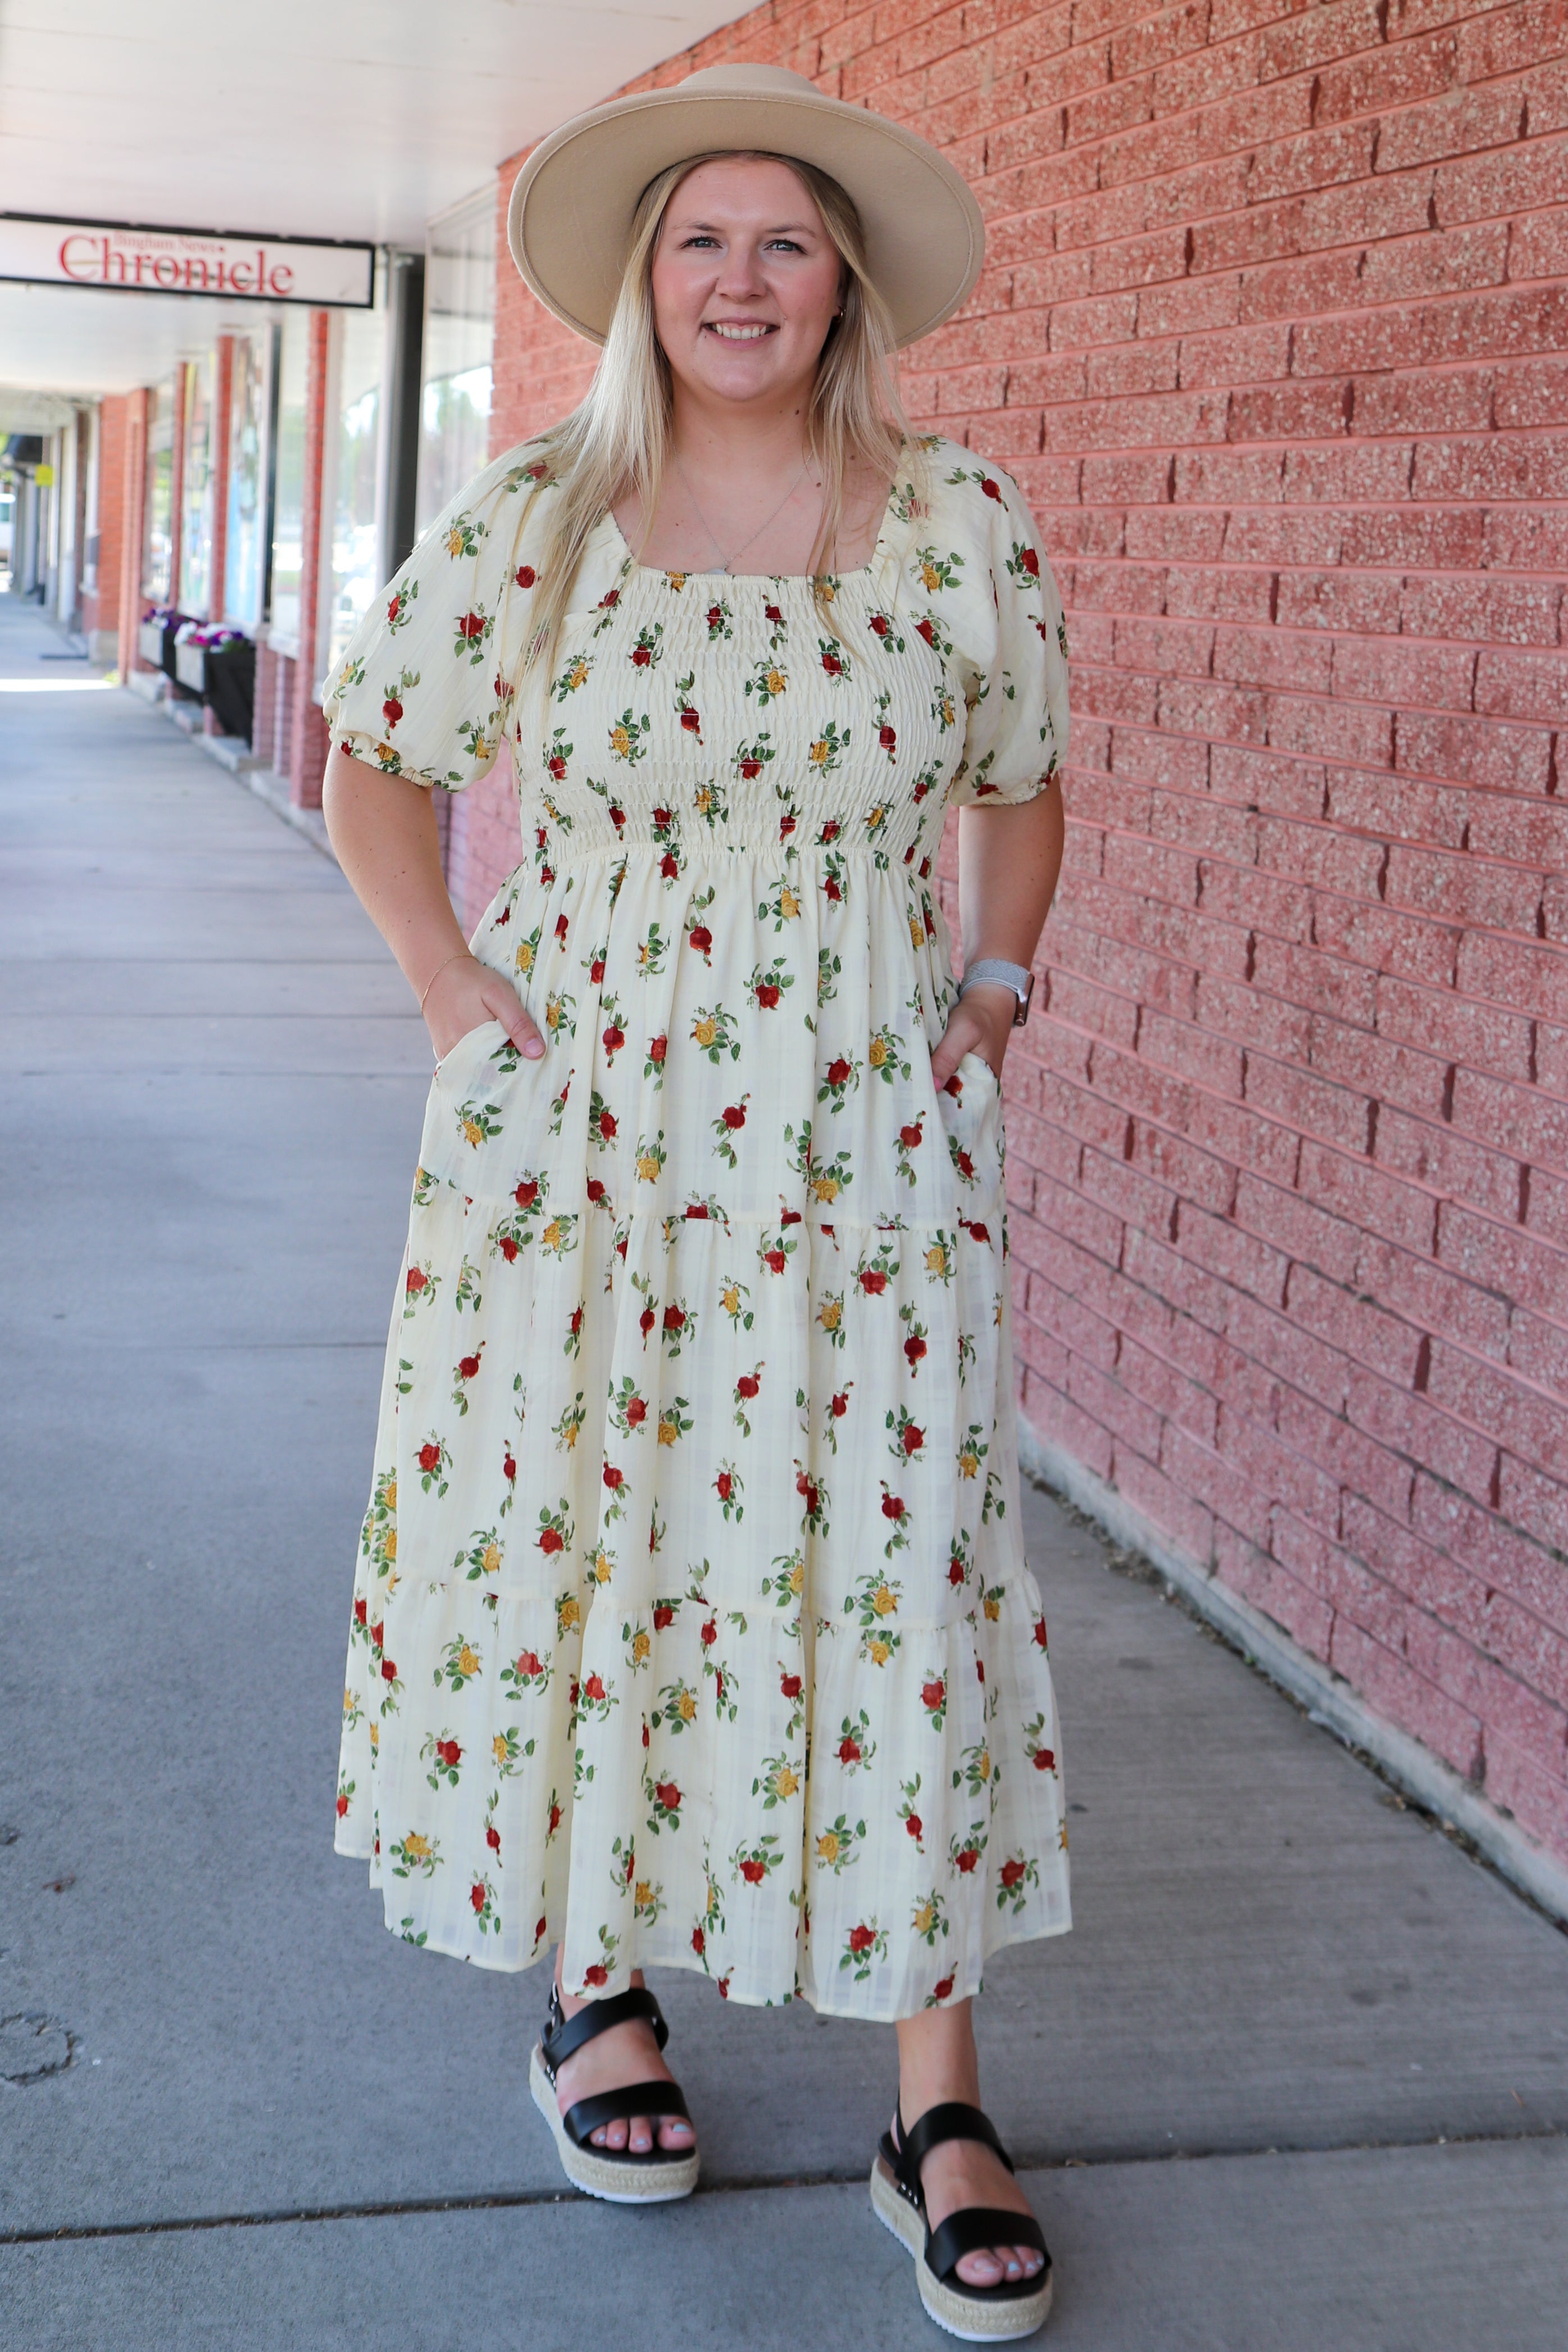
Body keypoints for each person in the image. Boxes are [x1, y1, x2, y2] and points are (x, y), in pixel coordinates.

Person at [324, 63, 1071, 2341]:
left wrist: (991, 989)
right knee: (591, 1520)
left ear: (839, 277)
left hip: (859, 1124)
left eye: (781, 238)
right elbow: (379, 762)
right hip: (588, 1114)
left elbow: (1022, 782)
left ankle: (930, 2098)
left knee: (890, 1552)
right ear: (648, 285)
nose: (740, 278)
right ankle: (596, 1992)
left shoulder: (950, 516)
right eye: (698, 241)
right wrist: (458, 999)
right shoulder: (545, 510)